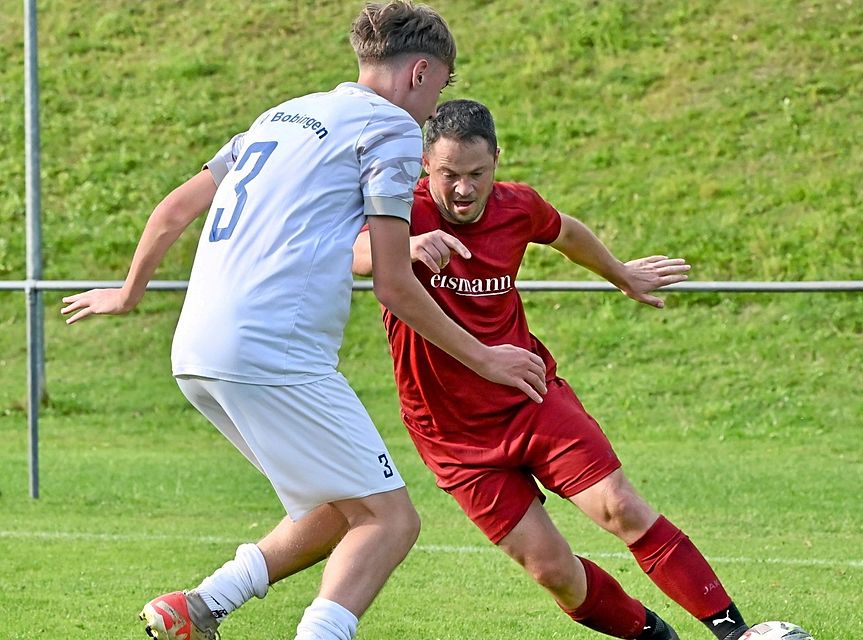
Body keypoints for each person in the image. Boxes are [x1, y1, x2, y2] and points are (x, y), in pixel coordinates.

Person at [60, 5, 548, 639]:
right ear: (422, 72)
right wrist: (488, 358)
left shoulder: (282, 116)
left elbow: (175, 208)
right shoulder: (393, 130)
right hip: (273, 353)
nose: (433, 109)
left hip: (198, 348)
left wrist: (128, 294)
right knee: (391, 521)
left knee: (339, 505)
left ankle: (198, 608)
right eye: (442, 87)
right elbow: (396, 285)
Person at [352, 99, 753, 640]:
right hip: (453, 437)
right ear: (426, 164)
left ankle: (734, 631)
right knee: (554, 571)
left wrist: (619, 273)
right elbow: (345, 250)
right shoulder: (400, 213)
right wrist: (401, 247)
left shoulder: (516, 207)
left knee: (620, 506)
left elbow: (564, 231)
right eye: (449, 175)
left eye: (477, 174)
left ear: (496, 160)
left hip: (529, 397)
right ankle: (649, 634)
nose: (464, 190)